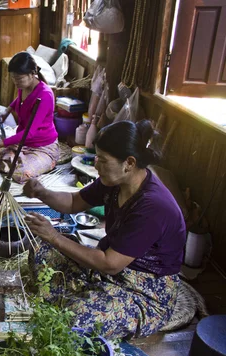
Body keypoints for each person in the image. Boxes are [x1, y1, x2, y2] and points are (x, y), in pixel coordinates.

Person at [23, 120, 186, 340]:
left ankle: (83, 299)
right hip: (109, 271)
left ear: (129, 162)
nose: (96, 164)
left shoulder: (153, 207)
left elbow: (109, 264)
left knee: (75, 318)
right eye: (97, 157)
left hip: (145, 290)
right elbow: (74, 202)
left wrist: (54, 236)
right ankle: (85, 294)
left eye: (103, 160)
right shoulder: (113, 181)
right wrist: (42, 193)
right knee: (39, 248)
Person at [0, 52, 59, 183]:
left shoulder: (45, 96)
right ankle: (12, 160)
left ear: (32, 73)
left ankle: (12, 161)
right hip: (21, 142)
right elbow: (19, 100)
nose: (16, 82)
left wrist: (0, 144)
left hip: (41, 147)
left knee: (22, 174)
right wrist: (7, 111)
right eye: (13, 78)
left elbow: (30, 133)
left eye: (19, 79)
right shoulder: (24, 86)